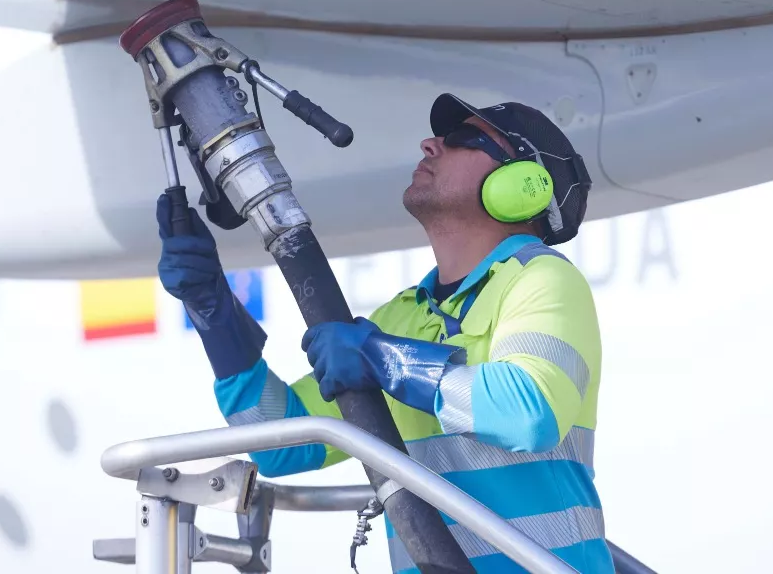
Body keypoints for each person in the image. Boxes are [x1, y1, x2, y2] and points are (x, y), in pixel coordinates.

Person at [157, 93, 607, 574]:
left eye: (460, 139)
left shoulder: (540, 278)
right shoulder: (400, 319)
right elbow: (282, 446)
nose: (430, 145)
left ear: (524, 186)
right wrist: (213, 310)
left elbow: (528, 411)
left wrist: (387, 361)